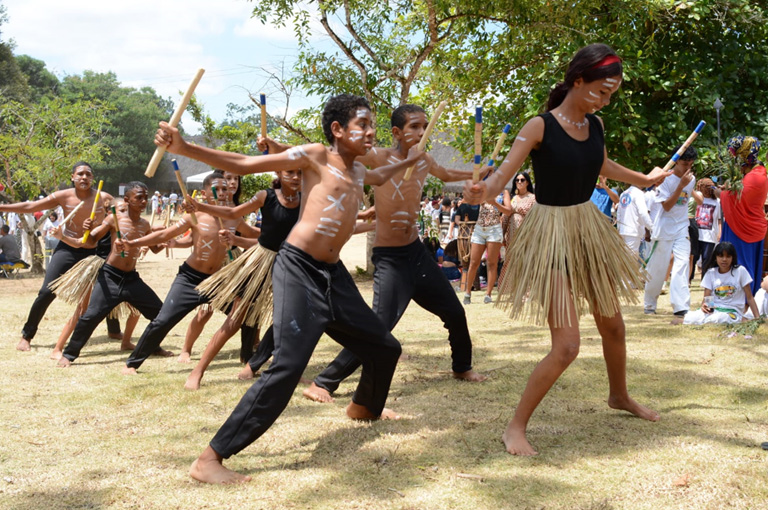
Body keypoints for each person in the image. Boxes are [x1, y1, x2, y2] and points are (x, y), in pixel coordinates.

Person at [154, 93, 430, 484]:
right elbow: (245, 163)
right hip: (299, 268)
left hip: (333, 275)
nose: (371, 133)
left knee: (385, 347)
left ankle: (364, 408)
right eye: (363, 125)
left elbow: (382, 176)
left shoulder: (358, 170)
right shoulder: (316, 156)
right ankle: (210, 458)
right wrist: (184, 147)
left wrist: (409, 160)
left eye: (372, 126)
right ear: (338, 130)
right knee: (287, 365)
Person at [463, 43, 667, 456]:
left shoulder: (596, 125)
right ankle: (515, 427)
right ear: (577, 81)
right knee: (567, 345)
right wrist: (483, 190)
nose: (604, 101)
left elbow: (601, 165)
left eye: (610, 95)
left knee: (614, 327)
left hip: (588, 229)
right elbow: (503, 175)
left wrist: (644, 180)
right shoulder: (539, 126)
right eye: (601, 92)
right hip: (550, 235)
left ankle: (619, 395)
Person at [291, 103, 486, 405]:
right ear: (396, 132)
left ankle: (462, 367)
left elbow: (446, 173)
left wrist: (477, 173)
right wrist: (286, 151)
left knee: (454, 312)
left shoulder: (424, 160)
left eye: (424, 127)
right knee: (378, 326)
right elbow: (340, 156)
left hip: (416, 253)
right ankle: (324, 381)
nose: (421, 132)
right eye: (414, 127)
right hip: (389, 258)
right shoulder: (379, 157)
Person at [118, 172, 252, 374]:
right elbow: (165, 234)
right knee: (163, 321)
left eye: (225, 189)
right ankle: (132, 364)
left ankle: (249, 362)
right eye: (217, 189)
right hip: (190, 279)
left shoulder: (234, 217)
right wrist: (132, 243)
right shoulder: (194, 216)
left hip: (218, 281)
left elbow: (257, 236)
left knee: (248, 315)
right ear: (204, 194)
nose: (222, 192)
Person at [182, 168, 301, 390]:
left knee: (289, 320)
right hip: (260, 263)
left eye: (301, 173)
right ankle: (198, 371)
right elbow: (233, 213)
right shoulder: (266, 196)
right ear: (279, 172)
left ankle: (280, 369)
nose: (296, 177)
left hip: (290, 264)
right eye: (290, 172)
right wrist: (199, 206)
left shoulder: (306, 200)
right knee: (234, 320)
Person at [0, 162, 114, 351]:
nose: (84, 177)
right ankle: (27, 335)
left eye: (88, 174)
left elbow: (120, 214)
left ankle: (114, 330)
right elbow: (30, 206)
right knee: (47, 291)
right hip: (68, 248)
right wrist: (2, 208)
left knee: (108, 290)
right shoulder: (64, 196)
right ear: (72, 177)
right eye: (80, 174)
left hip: (94, 249)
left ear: (93, 178)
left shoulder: (104, 198)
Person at [56, 182, 164, 367]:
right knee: (90, 317)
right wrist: (88, 228)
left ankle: (153, 347)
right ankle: (69, 354)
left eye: (145, 197)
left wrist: (167, 239)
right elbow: (91, 239)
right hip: (110, 277)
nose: (143, 201)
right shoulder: (114, 219)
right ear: (127, 200)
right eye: (139, 197)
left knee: (161, 314)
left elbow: (155, 248)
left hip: (131, 279)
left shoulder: (145, 224)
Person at [643, 145, 697, 316]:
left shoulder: (691, 179)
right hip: (664, 228)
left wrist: (684, 184)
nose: (688, 168)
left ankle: (681, 306)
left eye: (691, 164)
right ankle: (650, 304)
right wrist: (680, 186)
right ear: (676, 162)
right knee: (658, 268)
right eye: (685, 164)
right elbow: (666, 206)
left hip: (682, 227)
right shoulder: (664, 179)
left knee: (682, 264)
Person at [720, 135, 768, 295]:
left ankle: (742, 300)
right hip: (745, 225)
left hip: (744, 228)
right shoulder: (757, 173)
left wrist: (719, 193)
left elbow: (736, 199)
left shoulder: (755, 177)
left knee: (742, 267)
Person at [674, 242, 759, 325]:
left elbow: (750, 298)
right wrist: (705, 307)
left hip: (732, 312)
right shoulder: (711, 273)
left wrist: (757, 318)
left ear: (733, 258)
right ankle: (697, 321)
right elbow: (707, 298)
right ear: (715, 257)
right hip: (714, 310)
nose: (724, 259)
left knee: (719, 318)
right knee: (691, 317)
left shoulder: (740, 271)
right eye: (721, 256)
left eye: (728, 256)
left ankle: (736, 320)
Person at [462, 195, 507, 305]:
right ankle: (467, 293)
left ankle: (488, 294)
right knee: (473, 262)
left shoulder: (502, 192)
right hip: (479, 229)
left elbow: (508, 210)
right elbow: (469, 200)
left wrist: (495, 203)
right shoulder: (483, 190)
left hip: (494, 229)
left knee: (492, 263)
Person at [691, 178, 721, 280]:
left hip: (710, 235)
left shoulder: (717, 202)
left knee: (707, 259)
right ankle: (689, 278)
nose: (707, 190)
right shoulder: (696, 198)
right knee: (693, 257)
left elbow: (719, 219)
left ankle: (705, 280)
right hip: (696, 233)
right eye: (705, 187)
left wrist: (720, 232)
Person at [616, 184, 653, 259]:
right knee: (630, 260)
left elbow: (619, 214)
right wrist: (652, 228)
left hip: (623, 231)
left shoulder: (623, 194)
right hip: (633, 232)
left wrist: (619, 229)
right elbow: (643, 213)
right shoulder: (638, 193)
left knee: (623, 259)